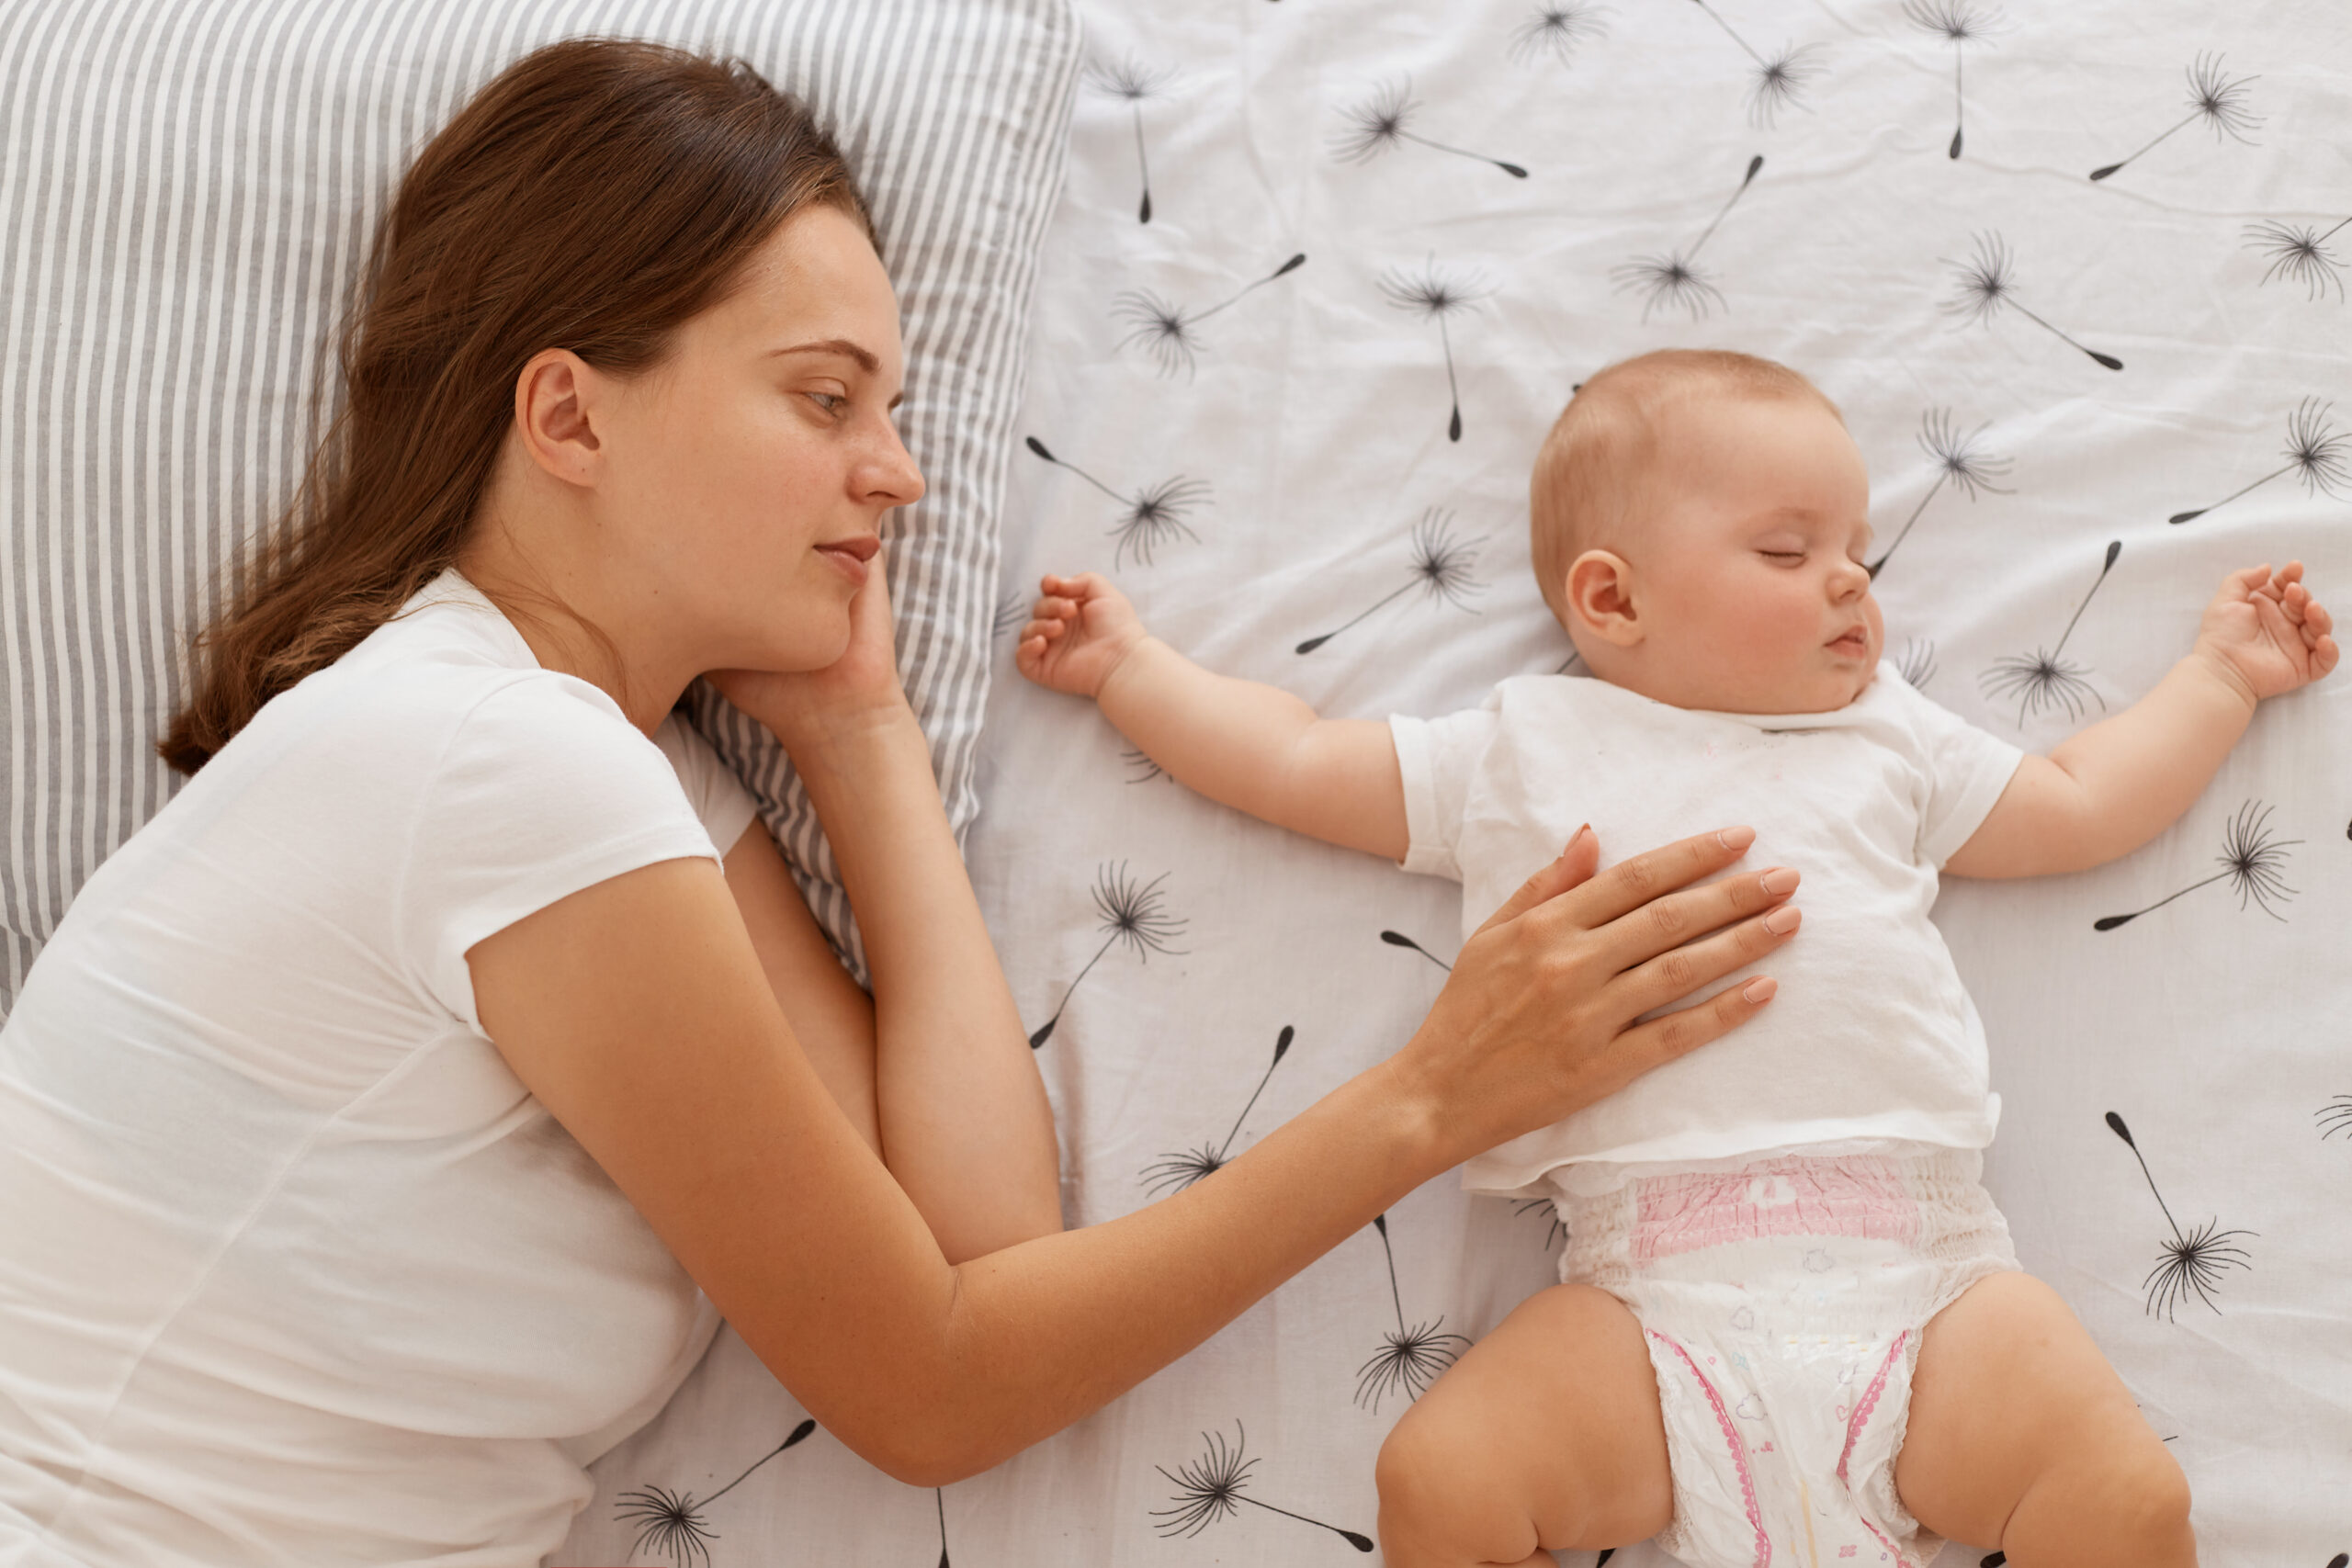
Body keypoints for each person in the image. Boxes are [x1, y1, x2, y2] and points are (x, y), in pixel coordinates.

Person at [0, 45, 1805, 1568]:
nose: (900, 471)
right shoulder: (498, 764)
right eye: (822, 398)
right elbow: (935, 1384)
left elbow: (983, 1247)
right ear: (569, 417)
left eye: (892, 405)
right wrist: (1434, 1093)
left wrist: (859, 736)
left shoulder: (612, 767)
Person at [1012, 347, 2338, 1568]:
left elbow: (2078, 802)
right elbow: (1298, 758)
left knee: (2125, 1499)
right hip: (1646, 1297)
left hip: (1926, 1279)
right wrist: (1130, 670)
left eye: (1858, 551)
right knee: (1441, 1481)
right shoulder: (1520, 751)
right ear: (1612, 596)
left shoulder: (1888, 737)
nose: (1851, 581)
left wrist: (2222, 679)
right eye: (1788, 549)